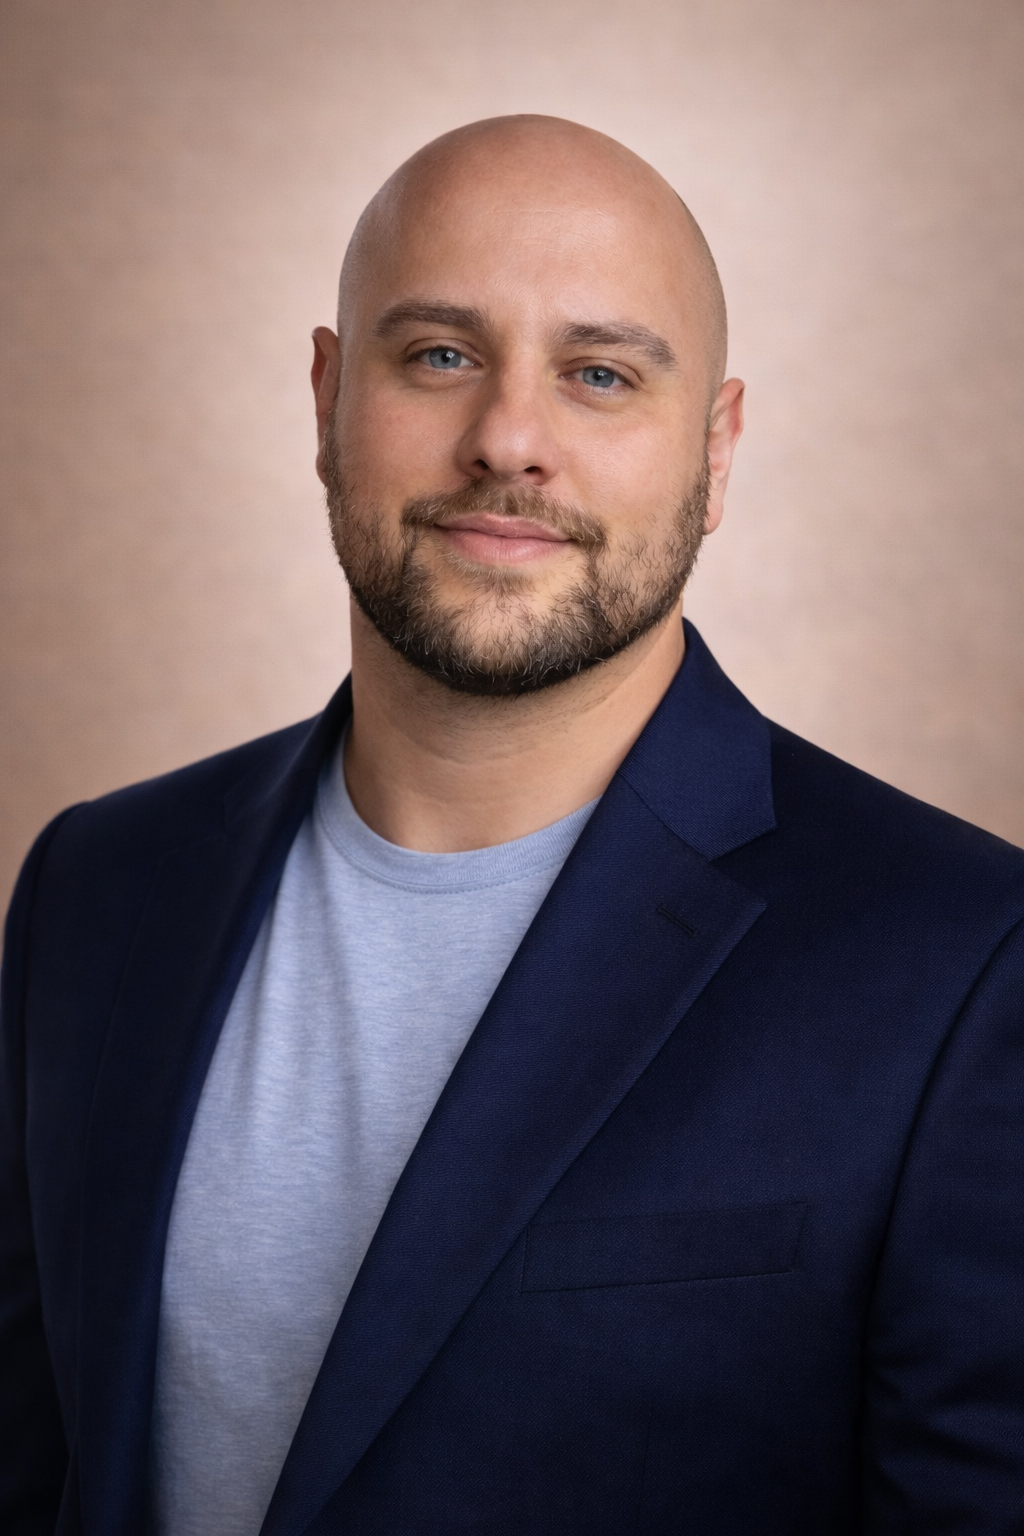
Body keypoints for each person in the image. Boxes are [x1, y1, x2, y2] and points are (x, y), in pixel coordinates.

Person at [1, 115, 1021, 1536]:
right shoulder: (91, 893)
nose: (509, 443)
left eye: (599, 374)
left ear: (717, 454)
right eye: (437, 356)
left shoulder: (967, 965)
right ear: (324, 395)